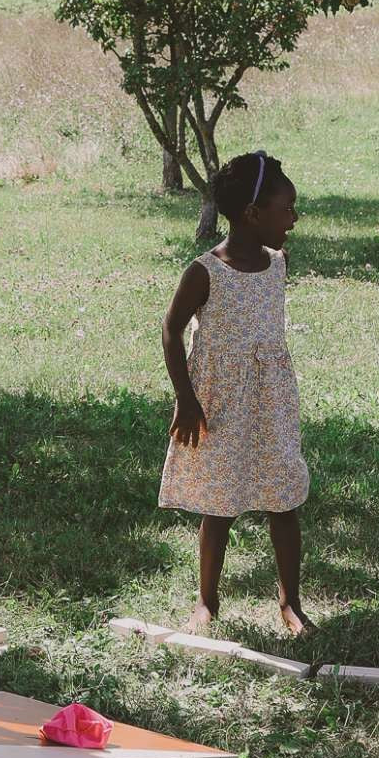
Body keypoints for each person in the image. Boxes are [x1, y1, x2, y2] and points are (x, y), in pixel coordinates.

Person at [158, 151, 312, 635]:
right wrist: (186, 399)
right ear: (252, 214)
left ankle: (291, 604)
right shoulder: (205, 271)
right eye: (287, 209)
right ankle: (207, 601)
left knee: (283, 497)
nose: (293, 218)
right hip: (220, 401)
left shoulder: (278, 264)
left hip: (271, 400)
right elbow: (171, 330)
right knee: (219, 503)